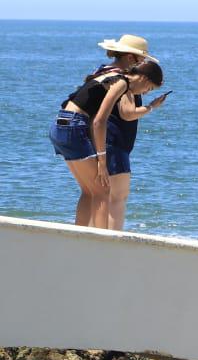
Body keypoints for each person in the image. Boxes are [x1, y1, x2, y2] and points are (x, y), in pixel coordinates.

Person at [50, 59, 166, 228]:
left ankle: (78, 237)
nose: (146, 93)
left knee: (90, 191)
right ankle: (101, 243)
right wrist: (102, 163)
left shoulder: (111, 73)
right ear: (144, 79)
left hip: (60, 124)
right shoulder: (121, 83)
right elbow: (99, 122)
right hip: (74, 125)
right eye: (149, 88)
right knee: (103, 190)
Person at [90, 34, 171, 229]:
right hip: (115, 144)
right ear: (130, 57)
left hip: (102, 144)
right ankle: (113, 241)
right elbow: (127, 113)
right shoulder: (124, 81)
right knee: (118, 197)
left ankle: (94, 238)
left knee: (101, 197)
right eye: (141, 58)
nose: (142, 62)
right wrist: (151, 107)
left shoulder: (106, 72)